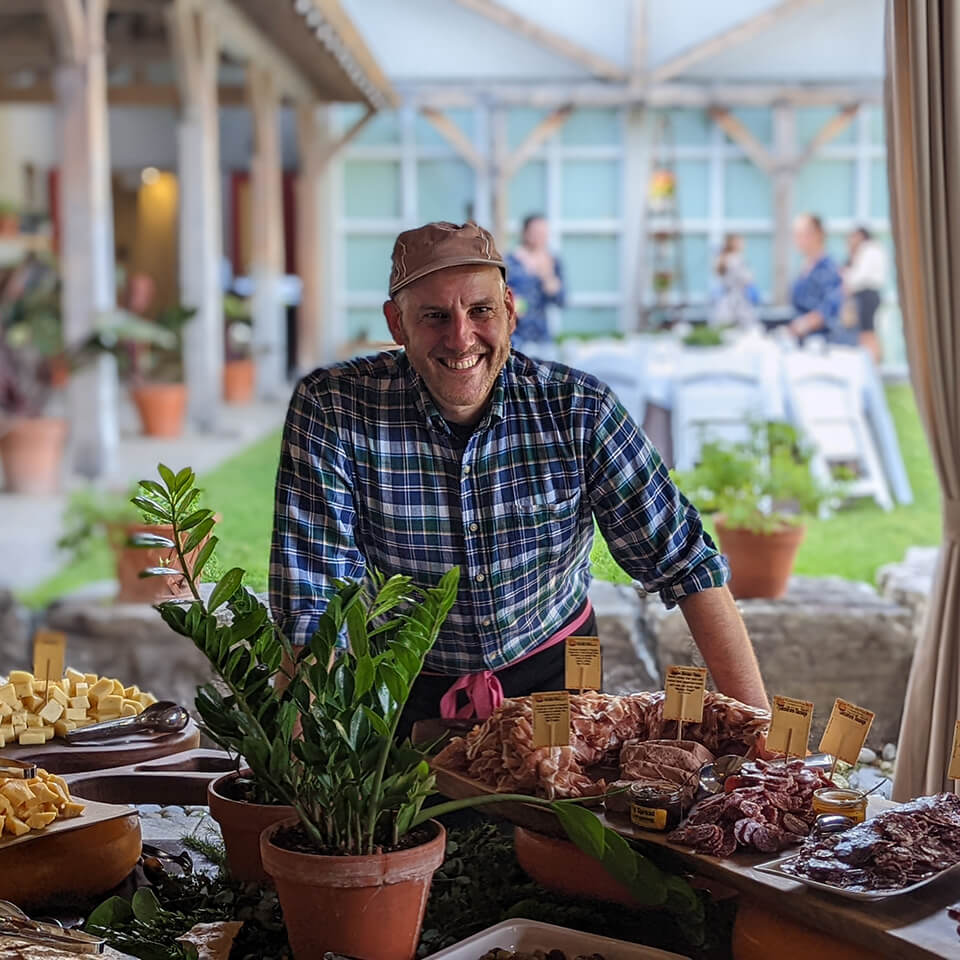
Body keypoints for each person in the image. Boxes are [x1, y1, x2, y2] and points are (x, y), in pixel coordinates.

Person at [270, 221, 768, 737]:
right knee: (416, 818)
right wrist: (301, 771)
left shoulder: (578, 408)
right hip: (402, 683)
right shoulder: (333, 407)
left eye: (480, 310)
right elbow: (314, 602)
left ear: (509, 310)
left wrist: (761, 744)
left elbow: (686, 564)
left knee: (557, 811)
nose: (460, 337)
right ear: (397, 325)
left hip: (558, 678)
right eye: (435, 316)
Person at [788, 214, 855, 346]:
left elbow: (828, 310)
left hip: (823, 345)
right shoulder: (804, 267)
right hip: (801, 344)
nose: (797, 240)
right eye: (796, 235)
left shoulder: (828, 268)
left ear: (818, 234)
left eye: (803, 234)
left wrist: (801, 325)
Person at [505, 214, 565, 350]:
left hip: (543, 337)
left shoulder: (552, 261)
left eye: (544, 233)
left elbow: (560, 300)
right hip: (515, 336)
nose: (541, 237)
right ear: (525, 233)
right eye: (536, 232)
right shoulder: (509, 261)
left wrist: (547, 275)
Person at [842, 227, 886, 364]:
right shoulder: (873, 249)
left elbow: (859, 278)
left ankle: (873, 365)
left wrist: (847, 277)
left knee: (867, 333)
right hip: (867, 294)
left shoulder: (868, 249)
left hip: (866, 294)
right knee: (866, 332)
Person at [711, 233, 759, 328]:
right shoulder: (736, 259)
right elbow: (747, 279)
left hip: (726, 301)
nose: (743, 244)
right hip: (737, 302)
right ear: (734, 243)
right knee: (747, 331)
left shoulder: (724, 258)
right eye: (741, 242)